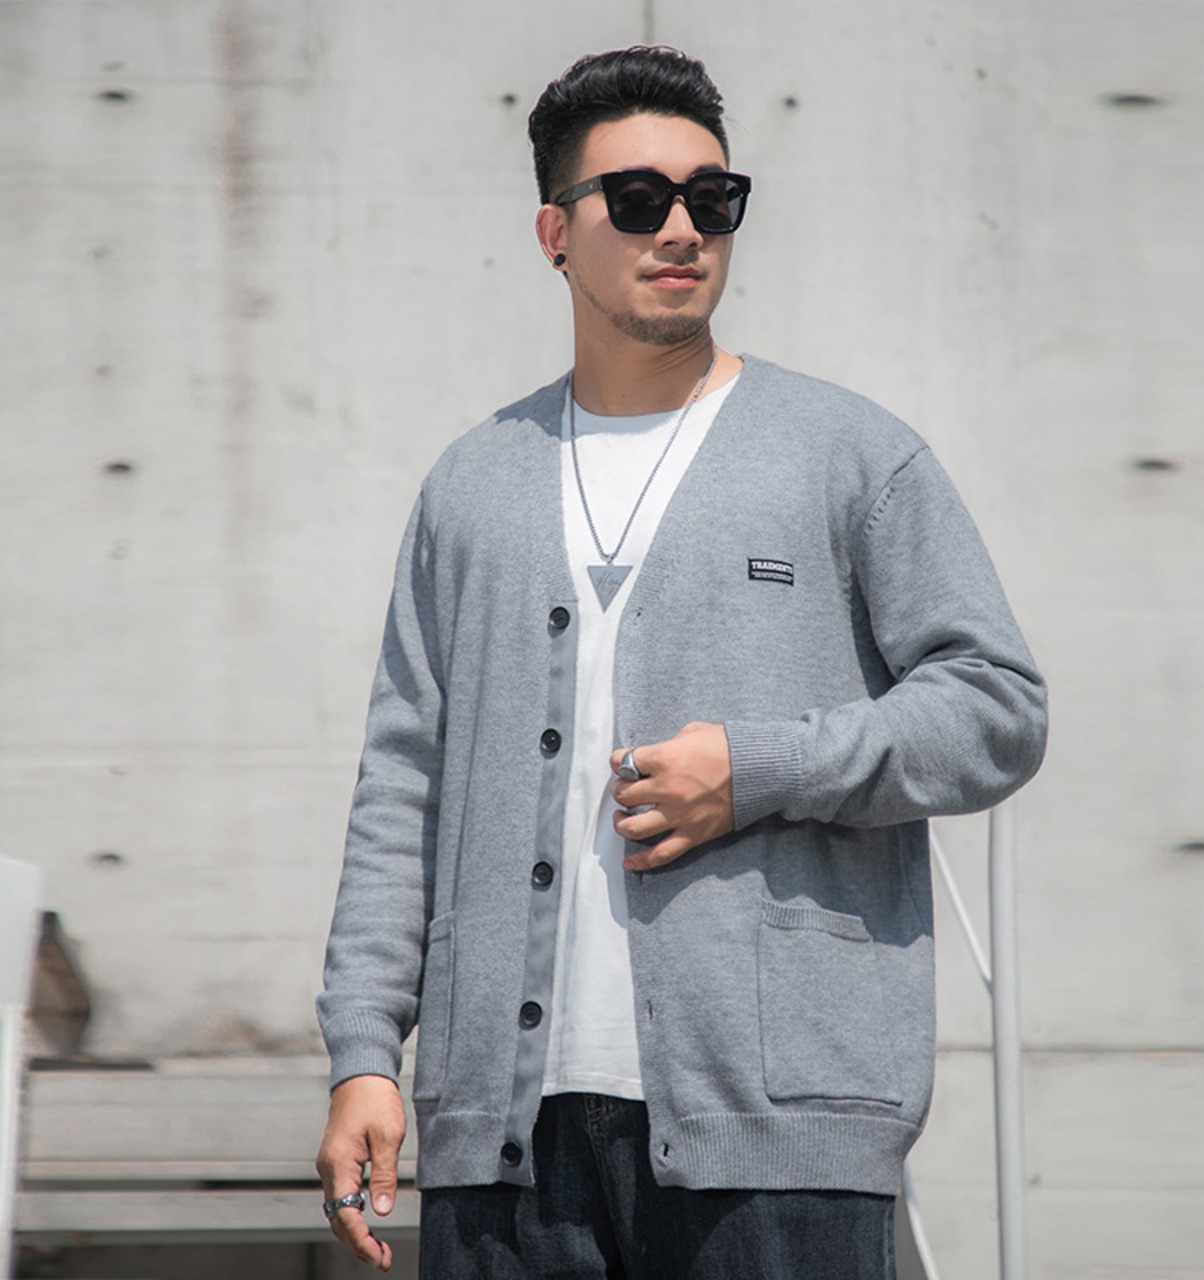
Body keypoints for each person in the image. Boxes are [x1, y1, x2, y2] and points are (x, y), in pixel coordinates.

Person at [315, 45, 1047, 1279]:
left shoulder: (845, 454)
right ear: (555, 231)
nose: (681, 229)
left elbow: (994, 707)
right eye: (638, 198)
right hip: (500, 1136)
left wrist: (758, 766)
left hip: (779, 1133)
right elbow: (402, 786)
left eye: (711, 199)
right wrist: (362, 1053)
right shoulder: (472, 485)